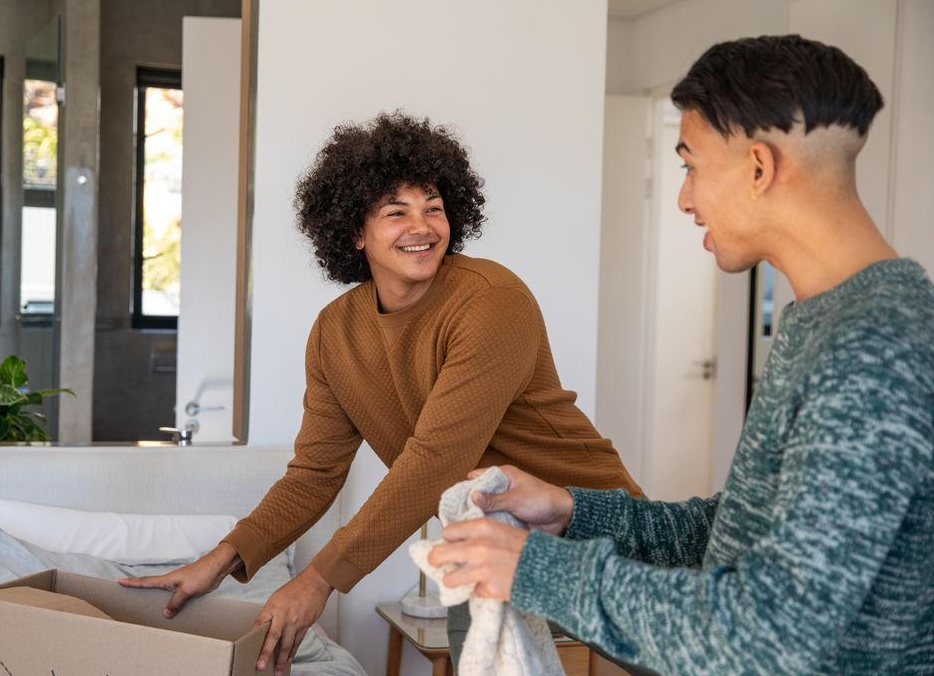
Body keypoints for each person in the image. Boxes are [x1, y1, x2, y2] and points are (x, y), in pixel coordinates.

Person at [427, 34, 934, 675]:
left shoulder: (874, 348)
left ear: (759, 167)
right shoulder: (823, 321)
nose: (684, 198)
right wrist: (576, 512)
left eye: (690, 164)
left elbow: (773, 629)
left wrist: (535, 571)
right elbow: (739, 536)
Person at [121, 112, 641, 675]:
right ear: (355, 231)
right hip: (486, 551)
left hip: (595, 535)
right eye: (396, 212)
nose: (422, 225)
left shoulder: (492, 300)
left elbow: (436, 461)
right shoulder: (334, 333)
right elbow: (315, 475)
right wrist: (222, 559)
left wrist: (318, 581)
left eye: (433, 207)